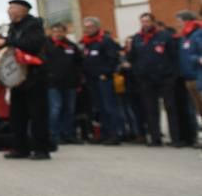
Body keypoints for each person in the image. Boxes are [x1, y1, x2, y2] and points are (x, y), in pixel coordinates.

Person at [0, 0, 52, 160]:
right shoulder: (13, 27)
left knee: (37, 114)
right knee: (17, 115)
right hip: (18, 77)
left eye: (12, 8)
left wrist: (7, 41)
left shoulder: (33, 25)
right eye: (8, 9)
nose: (8, 11)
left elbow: (32, 45)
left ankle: (42, 149)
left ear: (22, 11)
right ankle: (20, 148)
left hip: (35, 76)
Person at [123, 13, 181, 146]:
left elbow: (174, 56)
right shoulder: (137, 38)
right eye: (142, 21)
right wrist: (137, 71)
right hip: (146, 80)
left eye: (147, 21)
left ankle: (175, 139)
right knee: (150, 110)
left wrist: (172, 75)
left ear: (153, 22)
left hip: (165, 78)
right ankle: (155, 138)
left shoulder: (165, 36)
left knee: (171, 108)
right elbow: (132, 58)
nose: (145, 24)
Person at [80, 17, 122, 144]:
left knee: (109, 107)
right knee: (99, 108)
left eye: (90, 27)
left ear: (97, 27)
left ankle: (115, 134)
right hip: (91, 80)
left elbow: (113, 59)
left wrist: (105, 72)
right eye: (86, 27)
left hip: (103, 79)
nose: (87, 29)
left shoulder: (106, 40)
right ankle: (104, 133)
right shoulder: (86, 42)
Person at [44, 24, 82, 146]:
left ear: (65, 33)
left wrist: (78, 80)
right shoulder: (45, 46)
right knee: (55, 109)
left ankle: (69, 134)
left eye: (60, 31)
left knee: (69, 110)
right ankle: (54, 135)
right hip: (52, 84)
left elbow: (78, 64)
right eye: (55, 31)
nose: (57, 34)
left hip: (70, 83)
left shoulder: (72, 46)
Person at [176, 10, 202, 146]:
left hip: (198, 76)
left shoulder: (197, 33)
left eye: (179, 21)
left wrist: (197, 58)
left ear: (187, 21)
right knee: (197, 110)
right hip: (189, 78)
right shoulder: (184, 37)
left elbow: (195, 54)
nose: (177, 24)